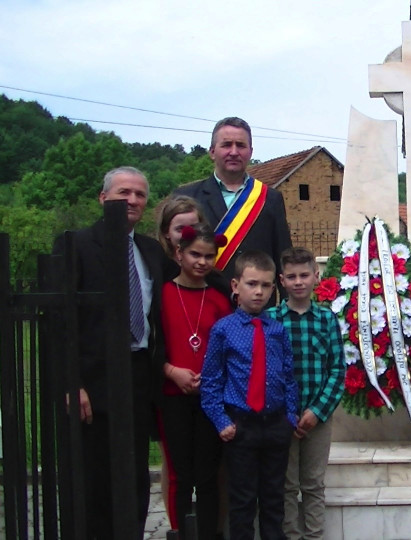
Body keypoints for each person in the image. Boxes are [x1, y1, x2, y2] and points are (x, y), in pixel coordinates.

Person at [53, 166, 165, 539]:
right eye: (123, 193)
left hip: (139, 375)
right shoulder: (77, 245)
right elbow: (60, 322)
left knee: (134, 474)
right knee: (96, 477)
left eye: (139, 194)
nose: (131, 200)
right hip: (94, 380)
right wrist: (72, 382)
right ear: (103, 198)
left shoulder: (150, 250)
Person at [200, 251, 299, 540]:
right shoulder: (223, 330)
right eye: (252, 284)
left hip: (275, 424)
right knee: (242, 500)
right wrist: (222, 421)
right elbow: (211, 380)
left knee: (274, 498)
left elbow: (288, 376)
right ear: (235, 286)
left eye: (266, 285)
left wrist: (290, 416)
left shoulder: (277, 330)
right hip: (241, 426)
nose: (259, 292)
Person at [267, 247, 346, 540]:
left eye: (304, 275)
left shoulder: (327, 319)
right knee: (286, 485)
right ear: (281, 280)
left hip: (317, 417)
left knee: (313, 484)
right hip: (281, 418)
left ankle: (314, 535)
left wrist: (317, 411)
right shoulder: (270, 319)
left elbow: (337, 370)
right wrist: (286, 413)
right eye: (291, 277)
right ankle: (290, 535)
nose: (298, 282)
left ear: (316, 276)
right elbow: (266, 372)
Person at [160, 224, 233, 539]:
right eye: (195, 254)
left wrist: (212, 379)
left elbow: (229, 347)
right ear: (179, 253)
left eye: (208, 256)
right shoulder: (163, 293)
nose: (202, 262)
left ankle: (208, 533)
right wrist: (169, 370)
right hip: (171, 394)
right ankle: (179, 533)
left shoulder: (218, 299)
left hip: (210, 397)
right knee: (180, 475)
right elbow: (153, 343)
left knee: (207, 475)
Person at [172, 116, 292, 306]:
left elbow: (283, 257)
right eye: (226, 145)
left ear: (250, 152)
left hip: (257, 307)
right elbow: (173, 254)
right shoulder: (186, 196)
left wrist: (289, 308)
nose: (234, 152)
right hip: (202, 304)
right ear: (212, 152)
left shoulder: (270, 198)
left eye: (241, 145)